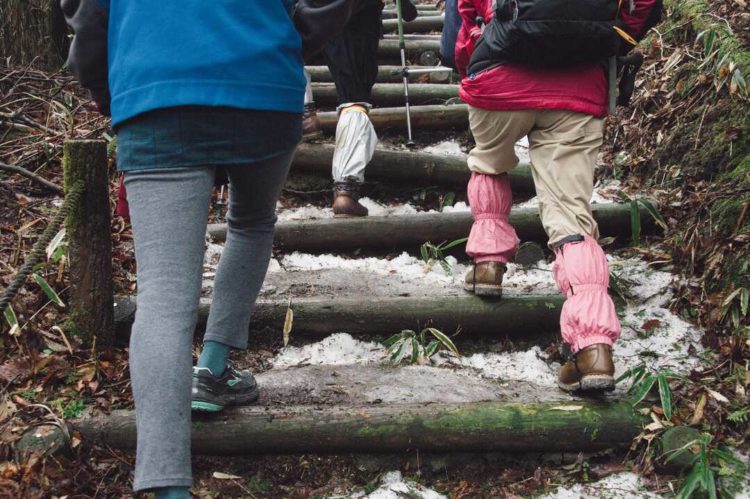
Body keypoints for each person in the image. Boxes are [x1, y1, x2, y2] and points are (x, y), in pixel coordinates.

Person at [61, 0, 305, 497]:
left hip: (153, 90)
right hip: (263, 82)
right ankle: (213, 368)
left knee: (164, 299)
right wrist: (288, 35)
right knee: (253, 223)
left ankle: (166, 486)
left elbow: (88, 17)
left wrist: (113, 92)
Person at [455, 0, 660, 393]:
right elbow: (641, 7)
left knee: (489, 163)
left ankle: (488, 264)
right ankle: (593, 347)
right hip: (580, 84)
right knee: (570, 214)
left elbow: (468, 12)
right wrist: (612, 41)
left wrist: (471, 57)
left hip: (499, 76)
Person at [304, 0, 416, 217]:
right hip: (356, 18)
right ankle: (346, 188)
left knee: (291, 53)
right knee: (354, 98)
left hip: (313, 12)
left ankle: (305, 114)